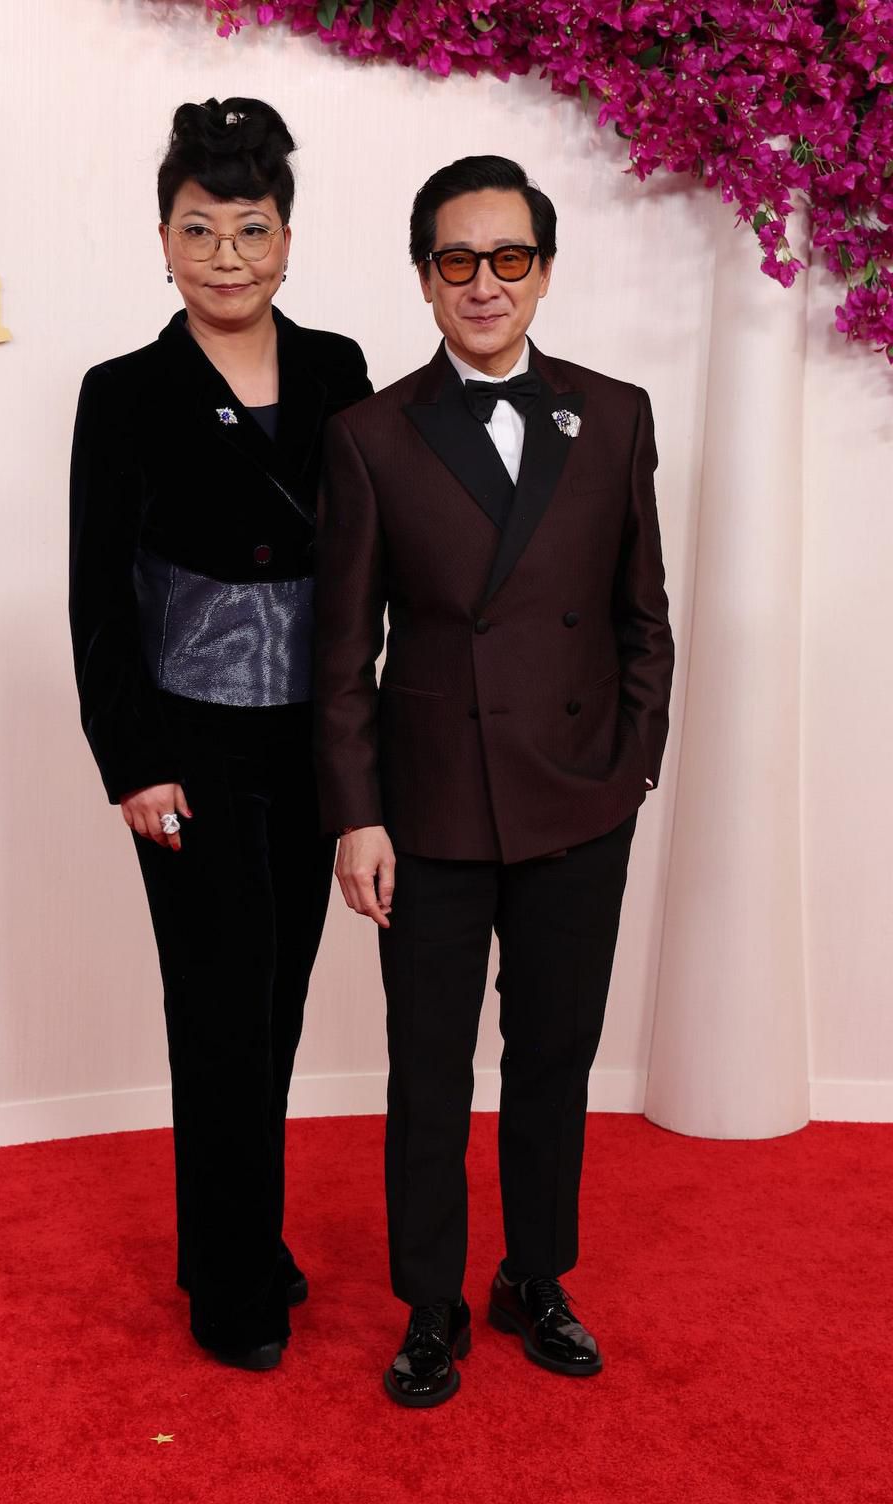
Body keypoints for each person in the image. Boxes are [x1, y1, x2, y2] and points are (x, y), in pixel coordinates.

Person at [314, 156, 673, 1406]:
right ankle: (430, 1305)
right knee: (427, 1070)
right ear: (423, 278)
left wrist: (632, 765)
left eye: (508, 258)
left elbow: (644, 615)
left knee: (554, 1059)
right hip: (429, 810)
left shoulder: (614, 412)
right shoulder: (367, 436)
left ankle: (534, 1274)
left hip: (580, 797)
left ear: (544, 270)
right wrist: (356, 811)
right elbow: (341, 648)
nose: (484, 283)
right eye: (457, 260)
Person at [69, 96, 371, 1371]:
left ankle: (233, 1235)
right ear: (163, 240)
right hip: (185, 744)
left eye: (253, 229)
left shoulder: (340, 369)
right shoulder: (124, 391)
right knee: (215, 1005)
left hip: (315, 735)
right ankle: (233, 1281)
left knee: (281, 1003)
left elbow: (366, 560)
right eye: (202, 230)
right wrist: (131, 760)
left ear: (288, 239)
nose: (229, 255)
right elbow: (95, 588)